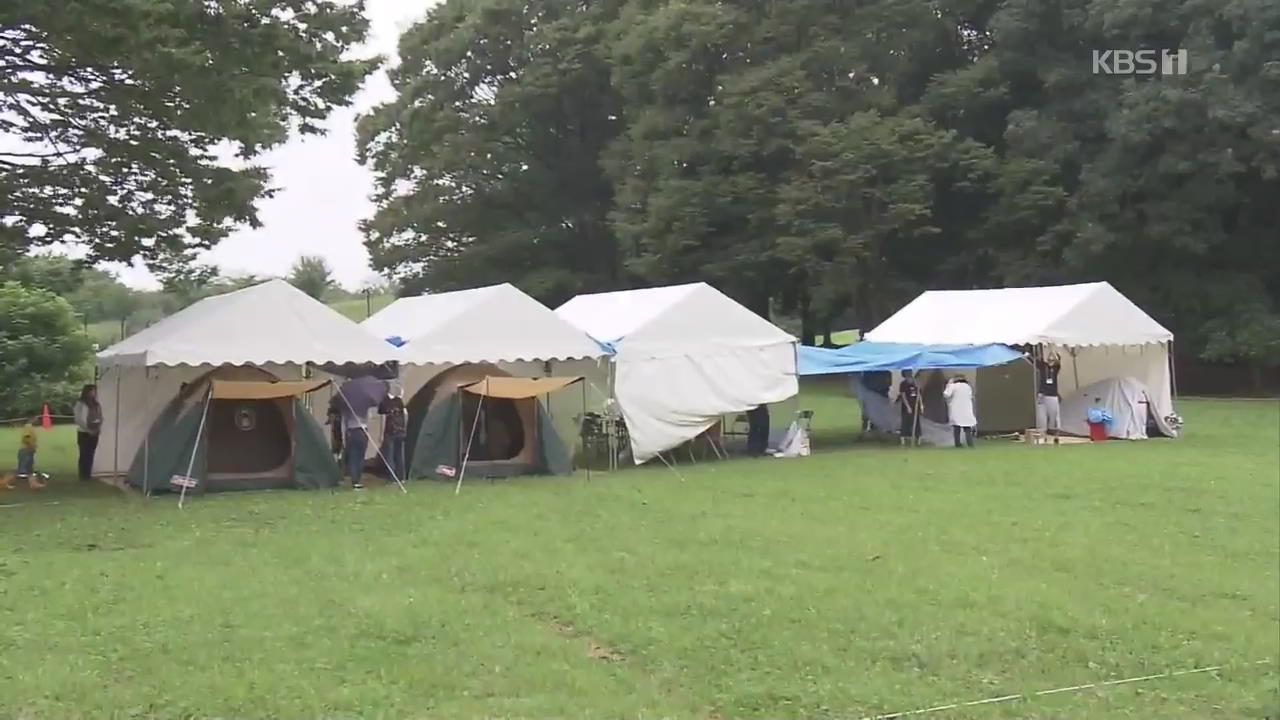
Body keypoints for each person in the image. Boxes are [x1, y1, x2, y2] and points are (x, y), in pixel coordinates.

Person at [378, 381, 408, 481]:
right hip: (401, 432)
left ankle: (392, 478)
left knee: (389, 456)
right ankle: (401, 477)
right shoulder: (399, 400)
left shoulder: (384, 402)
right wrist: (405, 428)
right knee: (399, 455)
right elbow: (406, 414)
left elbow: (383, 418)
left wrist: (381, 434)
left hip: (389, 432)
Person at [73, 383, 103, 481]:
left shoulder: (96, 404)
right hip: (83, 432)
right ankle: (83, 475)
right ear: (87, 392)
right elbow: (78, 419)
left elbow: (100, 416)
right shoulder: (80, 404)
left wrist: (98, 426)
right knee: (84, 454)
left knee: (91, 454)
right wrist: (87, 429)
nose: (94, 393)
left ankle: (88, 474)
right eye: (92, 391)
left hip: (95, 432)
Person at [1036, 351, 1062, 445]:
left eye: (1053, 357)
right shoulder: (1044, 366)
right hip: (1042, 395)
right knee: (1042, 417)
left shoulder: (1055, 368)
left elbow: (1059, 362)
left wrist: (1053, 351)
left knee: (1054, 416)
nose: (1050, 358)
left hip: (1052, 396)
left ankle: (1056, 436)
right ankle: (1044, 436)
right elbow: (1036, 361)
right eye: (1049, 356)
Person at [341, 403, 370, 489]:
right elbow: (369, 418)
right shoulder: (364, 405)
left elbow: (344, 422)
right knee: (361, 456)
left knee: (353, 456)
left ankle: (354, 481)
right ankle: (358, 478)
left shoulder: (346, 406)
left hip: (351, 431)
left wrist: (343, 437)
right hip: (363, 430)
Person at [943, 375, 976, 448]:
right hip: (966, 409)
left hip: (956, 409)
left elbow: (946, 394)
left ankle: (957, 444)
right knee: (967, 428)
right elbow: (971, 397)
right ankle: (970, 444)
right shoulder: (968, 387)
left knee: (957, 428)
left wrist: (948, 384)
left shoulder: (953, 386)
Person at [16, 418, 46, 489]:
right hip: (26, 449)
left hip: (29, 449)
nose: (37, 420)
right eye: (36, 418)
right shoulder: (28, 427)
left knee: (29, 469)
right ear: (32, 418)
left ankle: (33, 484)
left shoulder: (30, 427)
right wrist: (30, 446)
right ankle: (17, 482)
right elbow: (26, 437)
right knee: (24, 468)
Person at [897, 370, 922, 446]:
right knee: (905, 422)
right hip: (907, 406)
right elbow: (903, 395)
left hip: (915, 405)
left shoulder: (915, 383)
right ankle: (903, 440)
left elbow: (919, 394)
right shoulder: (903, 384)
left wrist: (921, 404)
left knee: (917, 422)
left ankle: (918, 440)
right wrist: (908, 406)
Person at [325, 394, 344, 461]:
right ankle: (339, 456)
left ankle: (338, 456)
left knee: (337, 442)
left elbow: (328, 421)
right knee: (338, 442)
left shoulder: (333, 411)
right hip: (338, 429)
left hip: (337, 429)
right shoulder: (340, 411)